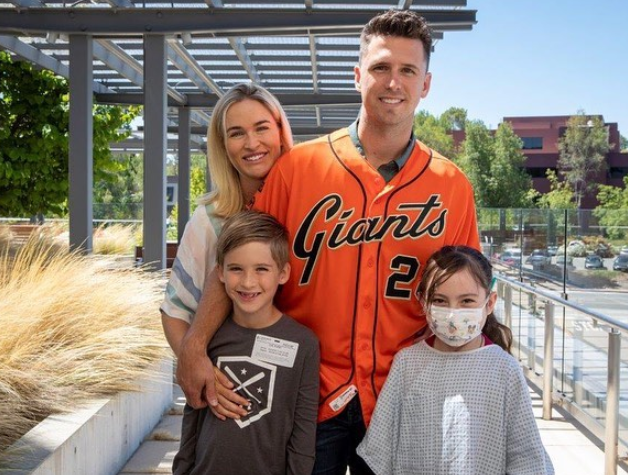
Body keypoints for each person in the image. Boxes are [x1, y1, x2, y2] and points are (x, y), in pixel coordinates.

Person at [177, 9, 480, 474]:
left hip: (404, 397)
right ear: (358, 75)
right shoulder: (298, 168)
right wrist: (194, 347)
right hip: (305, 394)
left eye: (407, 70)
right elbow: (235, 263)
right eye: (380, 67)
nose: (392, 82)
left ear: (426, 84)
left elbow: (468, 303)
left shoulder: (452, 184)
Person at [357, 246, 554, 475]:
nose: (453, 313)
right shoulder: (407, 363)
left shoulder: (504, 369)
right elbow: (381, 447)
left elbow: (526, 455)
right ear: (423, 302)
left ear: (489, 303)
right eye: (440, 300)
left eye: (467, 301)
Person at [173, 210, 320, 475]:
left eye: (261, 269)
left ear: (283, 273)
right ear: (220, 273)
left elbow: (303, 430)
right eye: (236, 269)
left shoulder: (304, 344)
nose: (248, 282)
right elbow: (193, 413)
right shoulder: (209, 336)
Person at [160, 82, 294, 357]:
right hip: (229, 379)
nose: (251, 143)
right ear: (223, 145)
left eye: (261, 128)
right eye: (236, 133)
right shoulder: (210, 220)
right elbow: (175, 311)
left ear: (281, 132)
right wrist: (201, 375)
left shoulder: (314, 207)